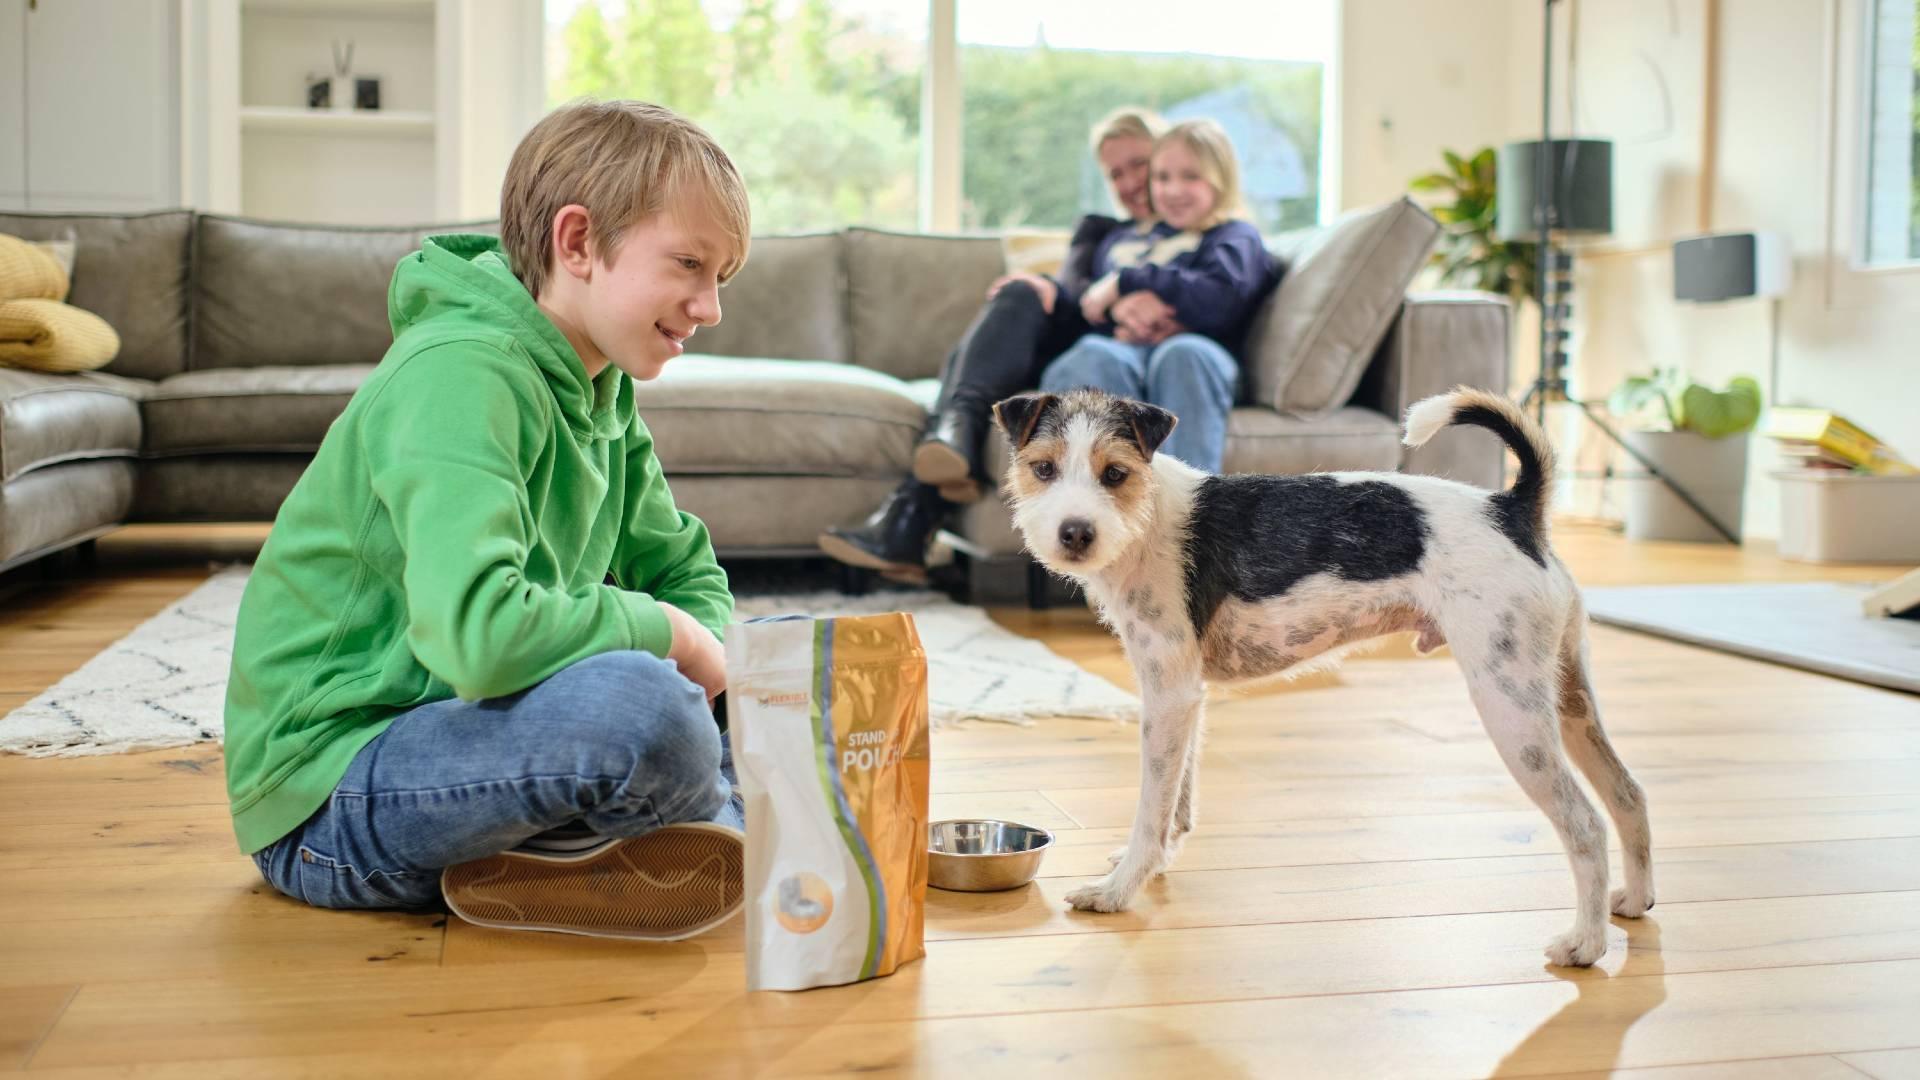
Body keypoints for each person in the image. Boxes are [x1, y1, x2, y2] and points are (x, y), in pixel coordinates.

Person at [223, 100, 755, 942]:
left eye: (721, 277)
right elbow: (478, 636)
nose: (709, 307)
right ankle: (727, 829)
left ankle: (632, 844)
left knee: (791, 655)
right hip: (332, 794)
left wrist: (706, 652)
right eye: (689, 264)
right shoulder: (461, 373)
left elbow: (685, 573)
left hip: (472, 735)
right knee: (647, 707)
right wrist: (675, 642)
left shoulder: (599, 387)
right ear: (576, 243)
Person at [818, 107, 1168, 576]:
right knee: (1023, 292)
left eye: (1138, 165)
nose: (1128, 183)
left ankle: (933, 473)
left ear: (1167, 155)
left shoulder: (1207, 239)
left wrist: (1138, 301)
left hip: (1107, 361)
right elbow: (1074, 296)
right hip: (1071, 343)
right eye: (1115, 173)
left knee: (975, 366)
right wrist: (1048, 288)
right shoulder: (1100, 231)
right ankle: (954, 434)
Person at [1038, 118, 1278, 473]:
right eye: (1162, 178)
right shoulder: (1123, 240)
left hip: (1195, 351)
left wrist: (1128, 282)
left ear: (1220, 180)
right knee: (1094, 356)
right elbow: (1090, 304)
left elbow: (1222, 297)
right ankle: (1088, 502)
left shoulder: (1233, 236)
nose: (1173, 190)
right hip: (1124, 351)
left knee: (1184, 353)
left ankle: (1189, 516)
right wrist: (1125, 310)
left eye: (1190, 177)